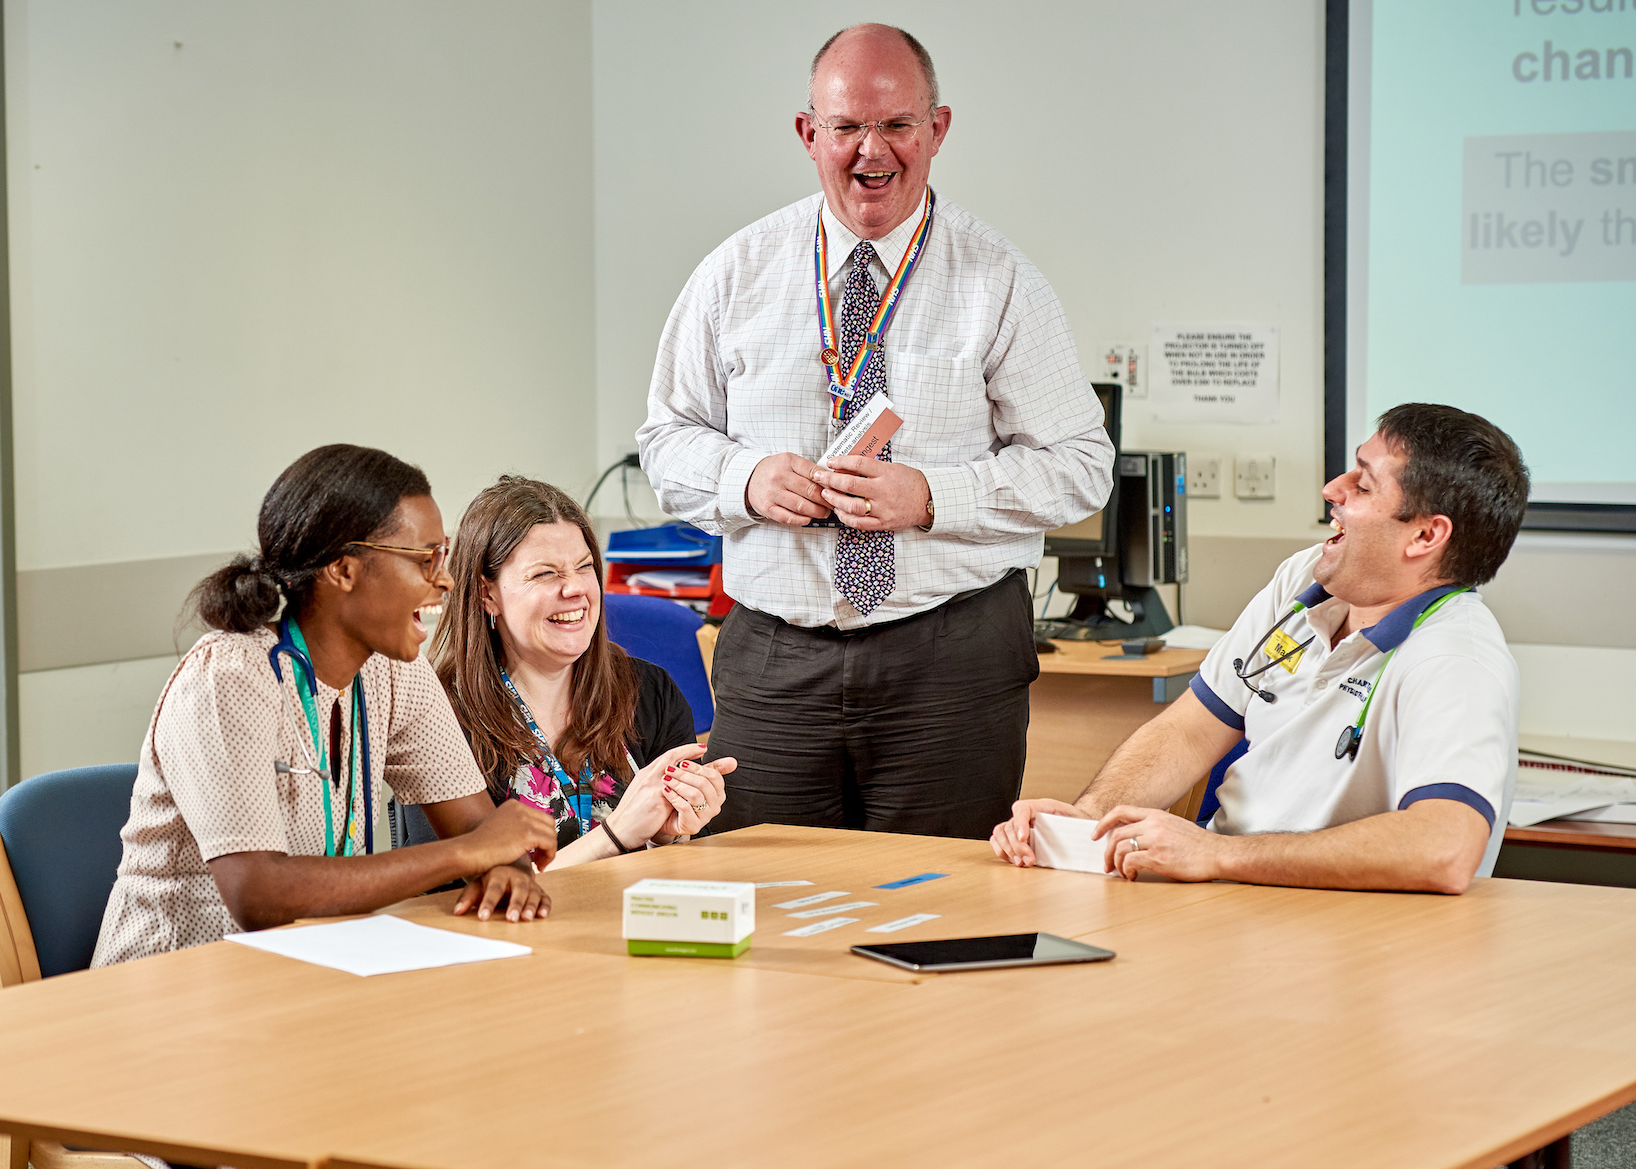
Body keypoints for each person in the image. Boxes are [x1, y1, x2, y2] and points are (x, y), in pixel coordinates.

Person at [637, 23, 1114, 840]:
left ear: (938, 130)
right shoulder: (734, 272)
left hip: (951, 658)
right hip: (774, 658)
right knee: (761, 910)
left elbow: (1081, 467)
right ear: (808, 133)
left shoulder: (999, 282)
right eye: (847, 127)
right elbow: (667, 437)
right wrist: (744, 480)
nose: (871, 151)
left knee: (943, 912)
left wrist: (932, 496)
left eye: (896, 126)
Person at [90, 444, 555, 1169]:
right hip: (174, 1024)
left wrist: (505, 863)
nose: (442, 582)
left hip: (314, 995)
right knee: (430, 1109)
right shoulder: (228, 681)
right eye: (425, 560)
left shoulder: (392, 671)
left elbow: (488, 831)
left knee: (513, 1077)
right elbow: (259, 896)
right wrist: (463, 857)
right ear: (345, 569)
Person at [992, 403, 1530, 893]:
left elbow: (1444, 848)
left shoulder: (1458, 660)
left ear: (1425, 537)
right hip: (1230, 902)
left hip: (1344, 932)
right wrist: (1085, 821)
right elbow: (1189, 730)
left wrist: (1219, 854)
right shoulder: (1305, 578)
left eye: (1363, 487)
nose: (1331, 490)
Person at [402, 475, 735, 861]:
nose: (575, 588)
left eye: (584, 567)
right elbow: (452, 888)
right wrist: (616, 834)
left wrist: (670, 833)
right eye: (545, 573)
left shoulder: (649, 689)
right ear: (485, 593)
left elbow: (691, 858)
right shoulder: (438, 711)